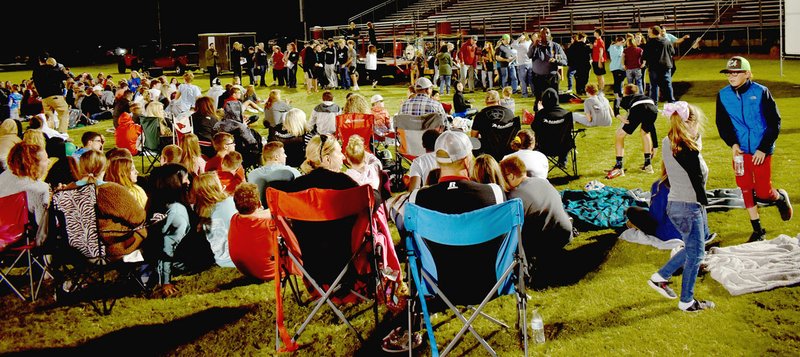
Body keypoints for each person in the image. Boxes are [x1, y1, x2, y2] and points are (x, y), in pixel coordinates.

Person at [382, 130, 504, 353]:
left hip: (436, 287)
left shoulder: (419, 198)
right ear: (467, 160)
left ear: (437, 162)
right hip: (489, 282)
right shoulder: (493, 192)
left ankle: (414, 322)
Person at [647, 101, 715, 312]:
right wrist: (703, 203)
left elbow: (691, 150)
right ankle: (687, 301)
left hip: (678, 205)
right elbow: (694, 168)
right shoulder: (685, 149)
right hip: (687, 207)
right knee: (696, 254)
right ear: (690, 123)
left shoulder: (671, 141)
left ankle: (660, 277)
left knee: (693, 248)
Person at [715, 56, 793, 242]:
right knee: (745, 189)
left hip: (761, 151)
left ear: (747, 74)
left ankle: (780, 198)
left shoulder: (761, 92)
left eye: (736, 72)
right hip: (740, 151)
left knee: (764, 193)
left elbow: (775, 123)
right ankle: (758, 230)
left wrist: (763, 148)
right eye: (729, 73)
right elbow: (723, 124)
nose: (731, 76)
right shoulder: (723, 95)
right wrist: (733, 144)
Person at [65, 149, 148, 259]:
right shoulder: (111, 190)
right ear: (104, 168)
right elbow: (139, 218)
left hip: (75, 250)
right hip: (110, 247)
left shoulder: (66, 190)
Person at [499, 155, 573, 262]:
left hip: (546, 243)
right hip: (566, 232)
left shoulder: (515, 197)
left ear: (511, 176)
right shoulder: (543, 182)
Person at [147, 163, 193, 297]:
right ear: (175, 183)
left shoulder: (157, 203)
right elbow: (167, 245)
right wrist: (165, 282)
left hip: (156, 259)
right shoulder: (177, 211)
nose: (189, 182)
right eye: (185, 179)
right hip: (180, 262)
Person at [0, 143, 51, 243]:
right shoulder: (39, 189)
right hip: (18, 237)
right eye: (45, 160)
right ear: (32, 164)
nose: (48, 162)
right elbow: (43, 226)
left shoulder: (2, 178)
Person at [607, 84, 658, 178]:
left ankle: (619, 166)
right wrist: (655, 145)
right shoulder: (643, 97)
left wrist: (618, 115)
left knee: (619, 135)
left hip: (638, 108)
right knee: (645, 132)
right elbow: (652, 127)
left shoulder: (626, 97)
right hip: (653, 109)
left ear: (625, 92)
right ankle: (648, 165)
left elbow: (617, 100)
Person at [191, 172, 236, 269]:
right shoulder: (231, 202)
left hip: (221, 260)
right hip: (237, 259)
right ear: (216, 186)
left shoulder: (200, 212)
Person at [247, 141, 301, 206]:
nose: (286, 156)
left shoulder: (252, 175)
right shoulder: (292, 172)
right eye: (283, 153)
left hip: (260, 212)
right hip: (285, 211)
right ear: (276, 157)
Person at [532, 88, 574, 168]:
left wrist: (540, 111)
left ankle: (543, 164)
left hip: (544, 147)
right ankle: (562, 160)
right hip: (563, 147)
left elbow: (534, 127)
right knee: (567, 140)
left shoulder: (541, 114)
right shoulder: (566, 114)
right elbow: (570, 128)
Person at [471, 90, 517, 162]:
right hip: (508, 151)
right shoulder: (510, 113)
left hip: (488, 153)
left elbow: (473, 137)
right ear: (499, 101)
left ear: (486, 102)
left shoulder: (480, 116)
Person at [528, 28, 567, 112]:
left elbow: (565, 61)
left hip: (552, 78)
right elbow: (529, 55)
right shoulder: (535, 46)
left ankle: (554, 116)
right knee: (539, 99)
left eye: (547, 33)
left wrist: (556, 60)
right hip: (538, 78)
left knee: (553, 98)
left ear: (550, 34)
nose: (545, 35)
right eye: (543, 33)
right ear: (539, 35)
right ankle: (539, 117)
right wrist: (534, 45)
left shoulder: (556, 46)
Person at [32, 56, 70, 133]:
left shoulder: (36, 71)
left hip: (44, 98)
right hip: (55, 95)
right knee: (63, 113)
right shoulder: (54, 70)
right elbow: (66, 77)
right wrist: (63, 71)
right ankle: (62, 134)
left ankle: (49, 133)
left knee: (48, 117)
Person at [643, 26, 676, 103]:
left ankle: (654, 103)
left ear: (653, 33)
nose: (648, 34)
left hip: (654, 67)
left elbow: (645, 56)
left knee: (654, 86)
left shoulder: (649, 43)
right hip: (666, 66)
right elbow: (672, 52)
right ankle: (671, 102)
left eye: (649, 32)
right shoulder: (667, 41)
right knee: (668, 85)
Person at [608, 36, 626, 115]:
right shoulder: (613, 47)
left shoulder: (620, 47)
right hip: (615, 67)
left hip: (621, 67)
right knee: (617, 81)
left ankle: (620, 94)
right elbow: (619, 54)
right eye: (622, 42)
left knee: (621, 81)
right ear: (618, 41)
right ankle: (617, 95)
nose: (623, 44)